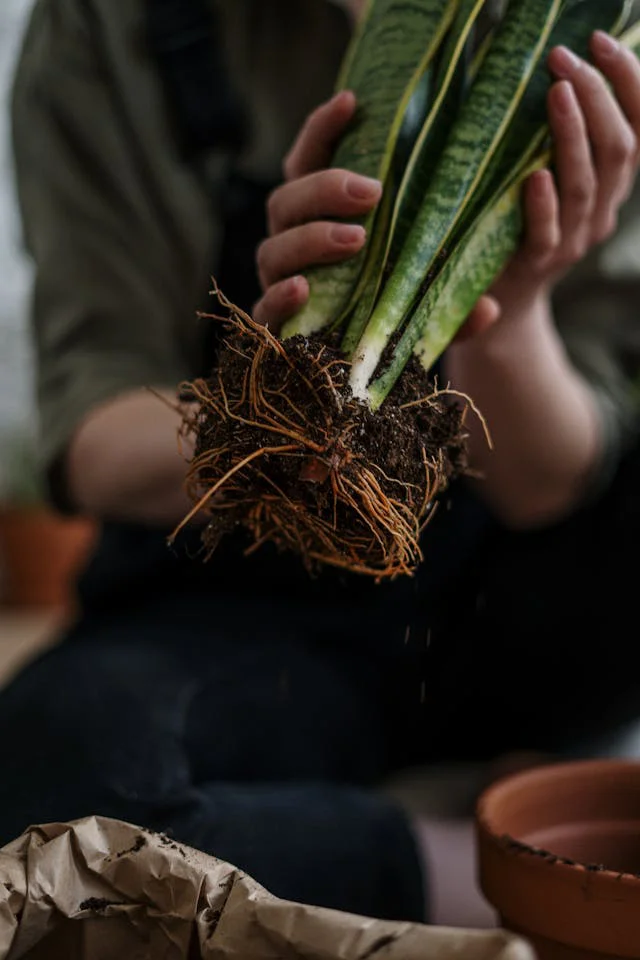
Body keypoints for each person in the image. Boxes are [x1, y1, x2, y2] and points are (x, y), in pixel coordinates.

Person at [1, 0, 640, 930]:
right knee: (54, 801)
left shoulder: (589, 29)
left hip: (514, 614)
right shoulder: (110, 23)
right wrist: (278, 405)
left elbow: (554, 487)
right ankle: (482, 863)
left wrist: (511, 306)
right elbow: (92, 433)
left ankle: (321, 840)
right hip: (240, 602)